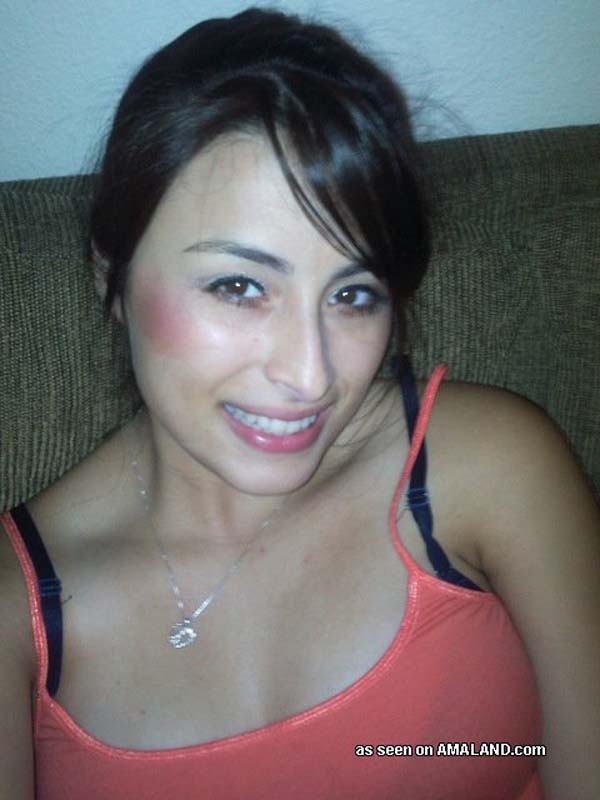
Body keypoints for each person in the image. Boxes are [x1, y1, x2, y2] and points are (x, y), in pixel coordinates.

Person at [1, 7, 598, 799]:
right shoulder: (16, 608)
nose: (312, 376)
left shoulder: (488, 466)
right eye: (239, 285)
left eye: (353, 294)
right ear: (111, 278)